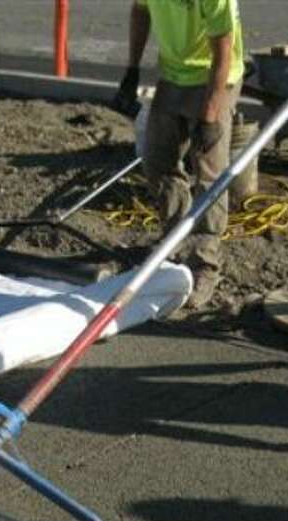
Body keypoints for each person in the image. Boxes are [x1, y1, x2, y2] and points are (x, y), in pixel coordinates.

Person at [112, 0, 246, 310]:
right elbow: (141, 11)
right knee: (159, 161)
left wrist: (211, 114)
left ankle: (204, 265)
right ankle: (174, 246)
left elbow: (224, 48)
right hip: (173, 75)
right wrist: (132, 69)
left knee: (209, 173)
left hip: (215, 76)